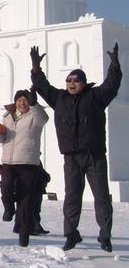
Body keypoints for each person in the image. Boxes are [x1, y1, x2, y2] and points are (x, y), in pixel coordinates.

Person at [30, 44, 122, 252]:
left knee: (101, 196)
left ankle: (105, 235)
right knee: (72, 196)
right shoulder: (59, 98)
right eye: (69, 80)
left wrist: (114, 66)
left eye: (76, 80)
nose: (71, 83)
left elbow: (111, 85)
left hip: (94, 155)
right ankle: (71, 234)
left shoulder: (96, 97)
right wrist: (36, 68)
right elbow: (43, 86)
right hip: (71, 156)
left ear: (83, 83)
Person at [0, 88, 49, 247]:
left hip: (28, 162)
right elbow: (4, 137)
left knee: (26, 200)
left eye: (25, 100)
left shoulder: (35, 116)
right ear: (15, 102)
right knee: (6, 187)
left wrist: (35, 103)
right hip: (9, 161)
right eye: (19, 100)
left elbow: (44, 118)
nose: (22, 103)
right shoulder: (8, 116)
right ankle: (9, 209)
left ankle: (24, 236)